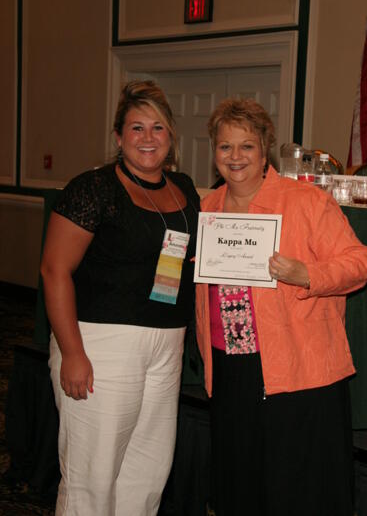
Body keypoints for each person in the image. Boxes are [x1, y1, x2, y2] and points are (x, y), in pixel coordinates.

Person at [195, 97, 367, 516]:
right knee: (241, 480)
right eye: (224, 147)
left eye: (246, 146)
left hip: (297, 370)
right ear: (213, 151)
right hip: (231, 364)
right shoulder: (209, 206)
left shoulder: (305, 201)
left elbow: (359, 262)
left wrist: (307, 274)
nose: (235, 157)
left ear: (265, 147)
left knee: (296, 486)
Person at [40, 80, 200, 516]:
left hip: (166, 345)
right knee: (92, 476)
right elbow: (54, 270)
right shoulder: (93, 189)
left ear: (171, 137)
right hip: (102, 344)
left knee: (147, 473)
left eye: (158, 129)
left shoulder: (184, 189)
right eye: (136, 128)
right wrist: (72, 352)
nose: (148, 139)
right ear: (118, 137)